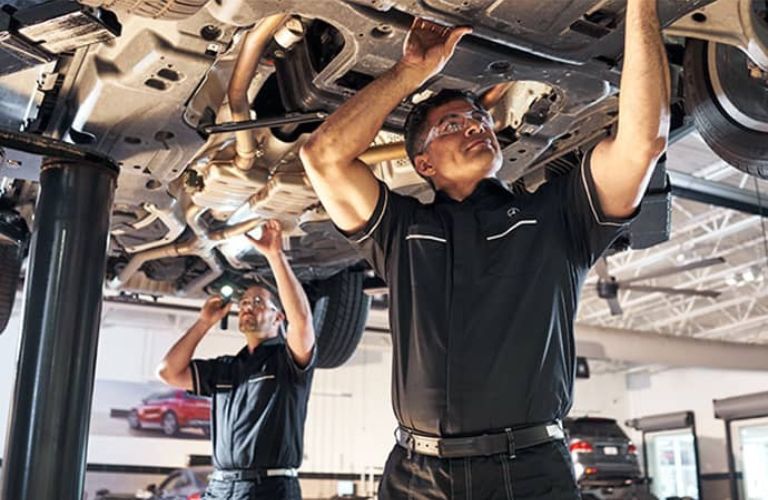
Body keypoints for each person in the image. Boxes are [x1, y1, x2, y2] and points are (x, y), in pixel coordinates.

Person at [299, 0, 669, 497]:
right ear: (423, 164)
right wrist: (410, 72)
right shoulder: (402, 231)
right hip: (417, 476)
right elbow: (321, 157)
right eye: (452, 125)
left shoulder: (557, 217)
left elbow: (642, 141)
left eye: (479, 119)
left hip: (531, 475)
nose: (476, 125)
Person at [156, 219, 315, 500]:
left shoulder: (286, 361)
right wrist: (204, 323)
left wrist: (274, 256)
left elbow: (301, 321)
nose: (247, 308)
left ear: (278, 317)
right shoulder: (226, 368)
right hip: (219, 487)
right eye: (243, 303)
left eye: (257, 303)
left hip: (268, 489)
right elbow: (169, 372)